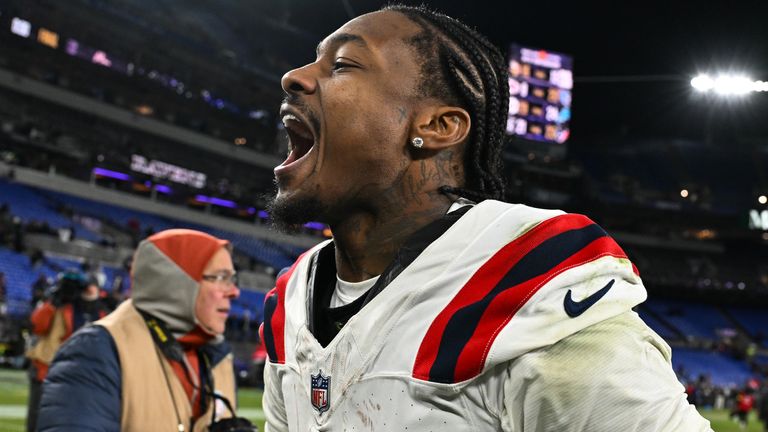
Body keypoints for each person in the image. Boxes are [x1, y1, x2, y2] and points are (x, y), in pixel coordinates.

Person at [260, 5, 712, 431]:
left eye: (343, 65)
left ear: (437, 127)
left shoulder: (525, 277)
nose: (292, 77)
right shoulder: (292, 298)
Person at [37, 229, 251, 431]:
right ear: (177, 283)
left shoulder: (217, 355)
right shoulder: (96, 351)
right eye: (221, 277)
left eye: (232, 279)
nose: (234, 292)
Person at [25, 270, 110, 432]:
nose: (88, 289)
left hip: (84, 376)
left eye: (92, 285)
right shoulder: (62, 306)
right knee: (38, 424)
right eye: (86, 285)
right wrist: (53, 302)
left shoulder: (103, 312)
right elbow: (36, 326)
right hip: (49, 372)